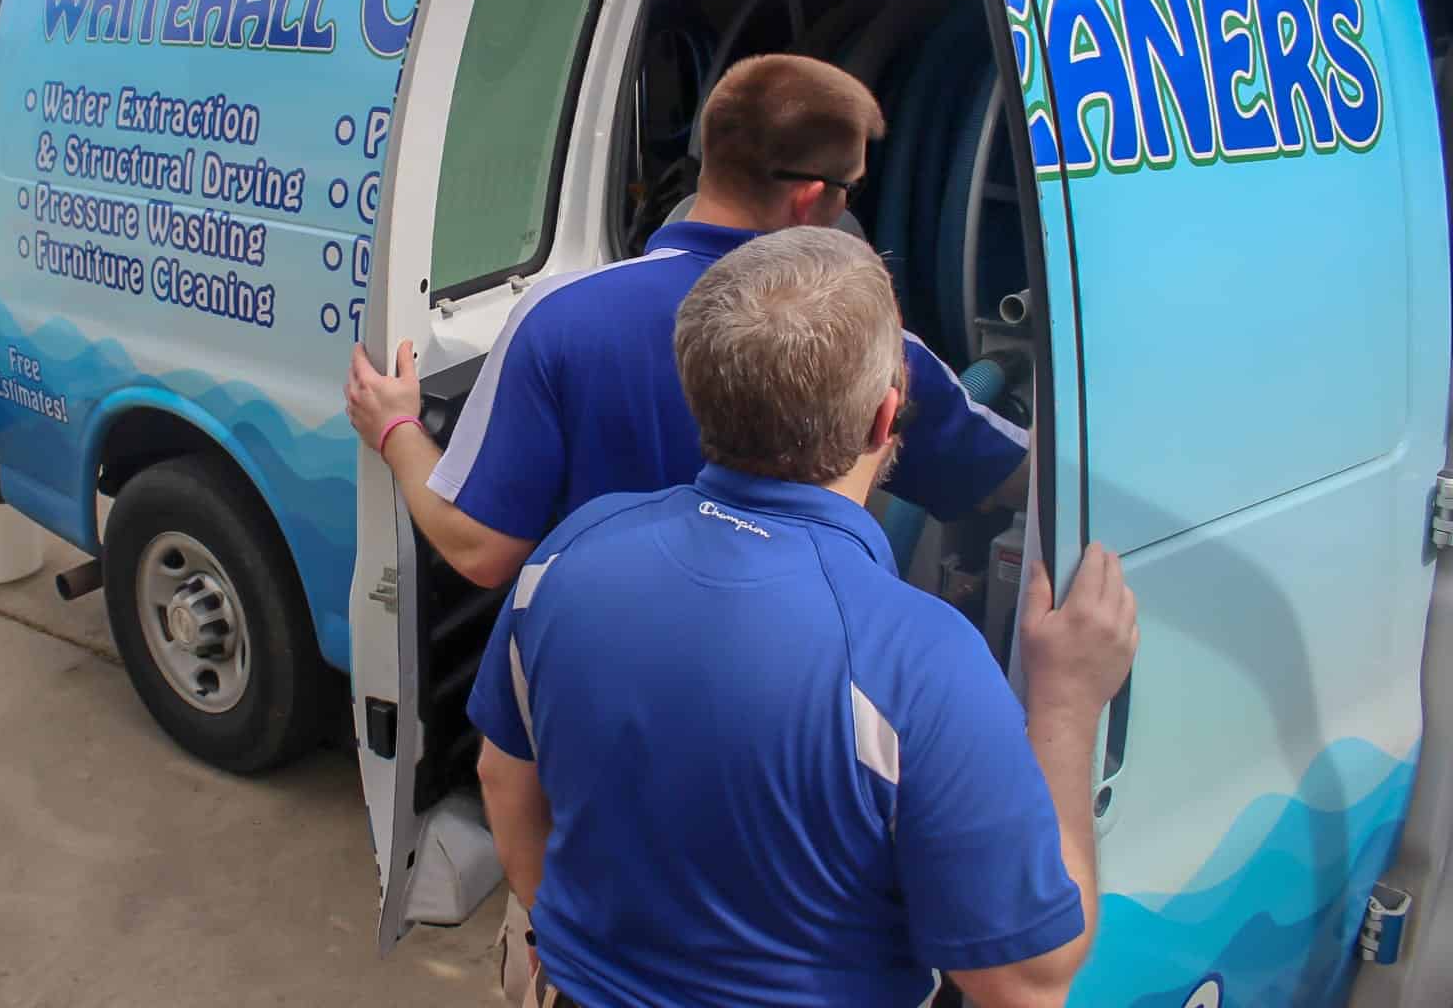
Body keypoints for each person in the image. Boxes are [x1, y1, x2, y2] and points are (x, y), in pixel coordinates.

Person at [344, 53, 1028, 997]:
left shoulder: (563, 318)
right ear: (812, 201)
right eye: (850, 191)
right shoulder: (874, 354)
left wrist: (396, 431)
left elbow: (479, 548)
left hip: (598, 806)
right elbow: (1013, 477)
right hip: (795, 813)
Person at [468, 226, 1139, 1008]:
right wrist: (1067, 706)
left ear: (698, 392)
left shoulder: (569, 555)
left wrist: (594, 964)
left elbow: (503, 781)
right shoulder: (917, 660)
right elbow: (1028, 979)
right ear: (887, 416)